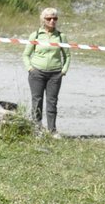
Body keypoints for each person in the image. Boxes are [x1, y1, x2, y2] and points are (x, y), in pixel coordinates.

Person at [22, 7, 70, 135]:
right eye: (49, 18)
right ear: (43, 20)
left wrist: (63, 70)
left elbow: (67, 55)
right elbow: (26, 54)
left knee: (52, 102)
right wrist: (30, 69)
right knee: (37, 101)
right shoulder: (36, 35)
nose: (52, 21)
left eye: (55, 18)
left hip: (55, 74)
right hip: (37, 73)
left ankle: (52, 130)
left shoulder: (61, 36)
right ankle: (36, 129)